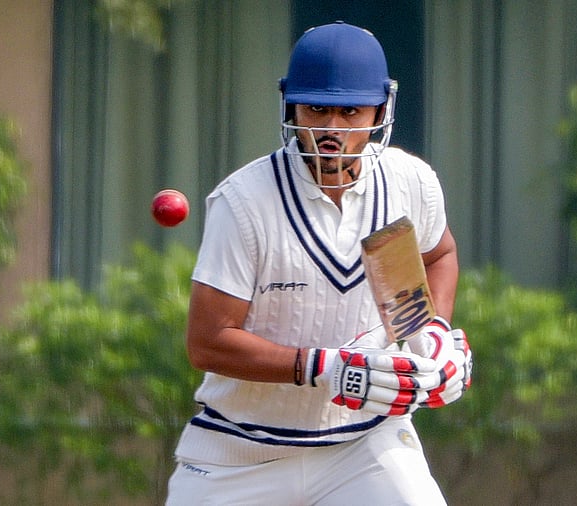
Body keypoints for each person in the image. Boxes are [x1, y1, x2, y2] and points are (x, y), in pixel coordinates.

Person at [165, 21, 472, 505]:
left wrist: (430, 333)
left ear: (381, 107)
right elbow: (207, 342)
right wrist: (325, 367)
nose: (331, 129)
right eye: (317, 108)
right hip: (241, 453)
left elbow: (439, 254)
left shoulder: (409, 181)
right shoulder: (243, 202)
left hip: (364, 445)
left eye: (350, 111)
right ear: (291, 106)